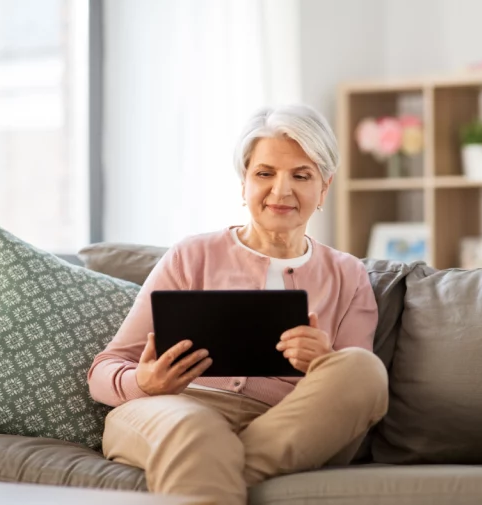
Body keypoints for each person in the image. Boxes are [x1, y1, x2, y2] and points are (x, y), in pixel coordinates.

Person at [87, 104, 388, 505]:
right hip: (175, 412)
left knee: (363, 369)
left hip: (283, 424)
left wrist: (323, 361)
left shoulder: (348, 275)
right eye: (265, 174)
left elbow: (354, 390)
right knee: (195, 431)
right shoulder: (191, 256)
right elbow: (102, 371)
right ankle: (208, 459)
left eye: (301, 176)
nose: (281, 191)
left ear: (324, 188)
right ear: (243, 182)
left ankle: (208, 466)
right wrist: (145, 382)